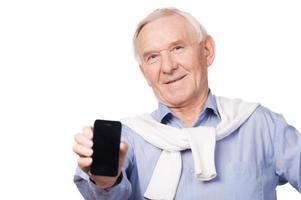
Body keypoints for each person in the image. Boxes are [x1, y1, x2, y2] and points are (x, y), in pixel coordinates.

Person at [72, 7, 301, 200]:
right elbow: (105, 193)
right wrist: (104, 181)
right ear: (145, 73)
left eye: (177, 48)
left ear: (207, 51)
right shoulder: (128, 138)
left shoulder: (261, 126)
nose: (168, 66)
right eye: (153, 56)